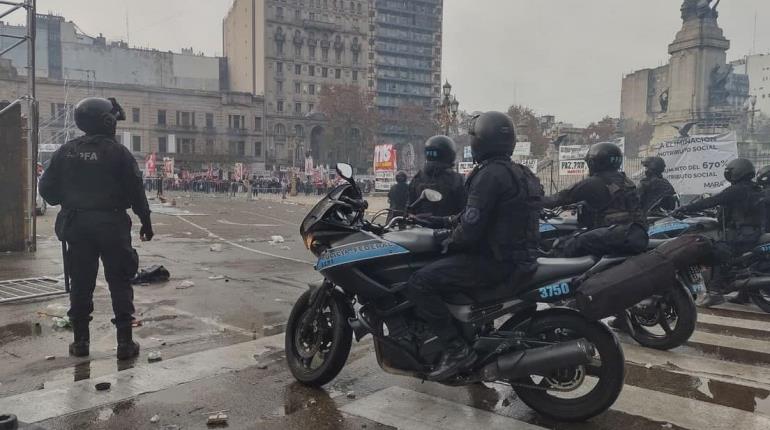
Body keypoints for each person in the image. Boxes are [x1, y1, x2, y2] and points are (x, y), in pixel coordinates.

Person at [403, 111, 543, 381]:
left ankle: (456, 350)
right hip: (520, 257)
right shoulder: (520, 173)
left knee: (419, 282)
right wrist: (439, 221)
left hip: (495, 261)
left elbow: (469, 230)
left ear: (480, 141)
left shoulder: (489, 175)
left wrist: (445, 241)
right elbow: (474, 214)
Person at [39, 97, 153, 360]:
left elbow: (47, 190)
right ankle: (125, 343)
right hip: (111, 224)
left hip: (76, 225)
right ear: (107, 121)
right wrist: (146, 222)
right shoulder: (118, 152)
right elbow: (137, 192)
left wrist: (69, 199)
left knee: (81, 283)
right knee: (120, 282)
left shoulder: (66, 151)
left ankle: (80, 343)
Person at [673, 158, 764, 307]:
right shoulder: (757, 189)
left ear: (736, 172)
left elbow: (712, 201)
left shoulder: (737, 190)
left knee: (717, 253)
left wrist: (685, 208)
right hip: (755, 234)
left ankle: (714, 292)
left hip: (741, 235)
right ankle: (744, 294)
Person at [543, 142, 647, 258]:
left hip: (611, 237)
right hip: (631, 234)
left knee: (562, 245)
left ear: (593, 162)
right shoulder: (626, 181)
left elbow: (555, 200)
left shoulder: (592, 183)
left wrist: (533, 197)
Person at [408, 135, 467, 217]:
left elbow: (409, 209)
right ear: (450, 154)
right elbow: (464, 211)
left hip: (419, 227)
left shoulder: (417, 178)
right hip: (449, 228)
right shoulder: (457, 179)